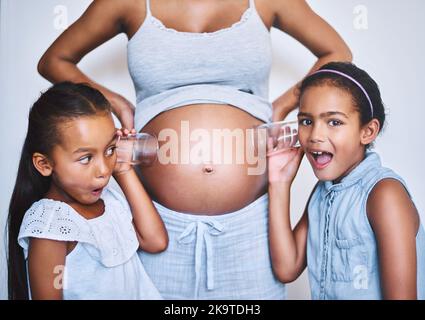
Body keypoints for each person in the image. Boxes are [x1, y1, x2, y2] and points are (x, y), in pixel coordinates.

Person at [37, 0, 352, 299]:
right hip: (156, 222)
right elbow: (54, 60)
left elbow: (336, 52)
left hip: (253, 227)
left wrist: (282, 106)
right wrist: (112, 100)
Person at [267, 61, 425, 299]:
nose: (315, 136)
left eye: (334, 122)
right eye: (306, 121)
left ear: (367, 131)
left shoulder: (384, 194)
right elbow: (287, 267)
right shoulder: (323, 192)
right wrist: (279, 184)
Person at [8, 82, 168, 300]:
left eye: (110, 149)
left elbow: (155, 241)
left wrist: (123, 169)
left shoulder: (110, 201)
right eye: (85, 158)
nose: (103, 170)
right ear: (45, 164)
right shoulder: (52, 225)